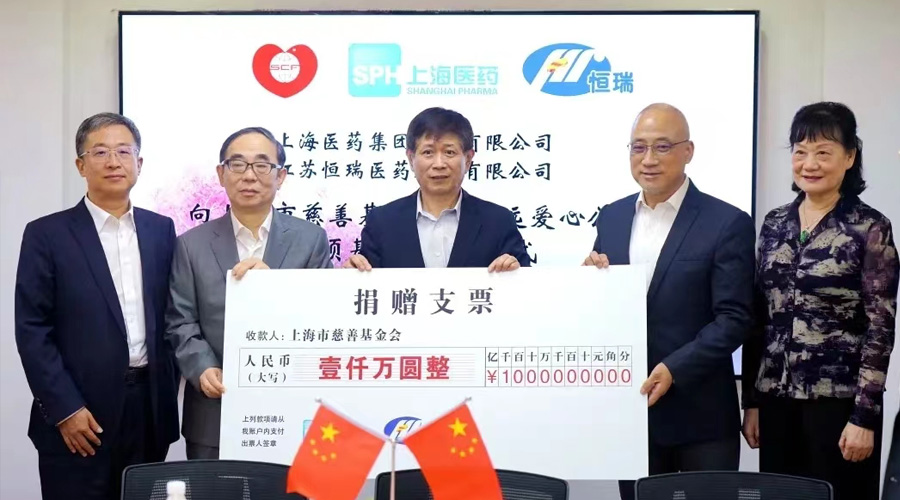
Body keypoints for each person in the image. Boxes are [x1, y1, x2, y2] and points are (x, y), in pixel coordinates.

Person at [583, 103, 755, 499]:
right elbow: (608, 307)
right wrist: (590, 284)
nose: (649, 159)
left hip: (702, 416)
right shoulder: (611, 217)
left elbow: (734, 318)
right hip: (634, 414)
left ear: (688, 151)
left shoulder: (726, 221)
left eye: (662, 147)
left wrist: (674, 368)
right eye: (638, 147)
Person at [15, 113, 180, 500]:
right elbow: (32, 329)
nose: (113, 162)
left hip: (148, 410)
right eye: (100, 152)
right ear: (81, 165)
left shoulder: (161, 230)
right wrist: (65, 408)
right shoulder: (47, 234)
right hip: (80, 415)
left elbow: (175, 314)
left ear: (139, 163)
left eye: (124, 151)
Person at [742, 101, 898, 500]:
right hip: (776, 399)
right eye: (800, 151)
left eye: (823, 152)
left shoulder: (869, 228)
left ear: (850, 157)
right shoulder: (775, 223)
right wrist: (752, 403)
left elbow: (880, 329)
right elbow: (759, 317)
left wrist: (864, 417)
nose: (809, 164)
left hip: (839, 405)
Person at [165, 127, 332, 459]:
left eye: (262, 165)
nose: (249, 175)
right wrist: (202, 368)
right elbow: (180, 321)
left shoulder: (310, 240)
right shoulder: (191, 245)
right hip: (215, 411)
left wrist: (274, 290)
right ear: (221, 174)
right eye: (238, 164)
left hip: (291, 411)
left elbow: (322, 317)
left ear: (280, 176)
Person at [343, 107, 529, 272]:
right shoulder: (382, 222)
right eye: (428, 152)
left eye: (449, 152)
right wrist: (352, 274)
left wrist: (514, 271)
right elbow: (367, 289)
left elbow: (526, 288)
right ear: (411, 159)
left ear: (468, 159)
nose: (439, 164)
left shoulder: (498, 221)